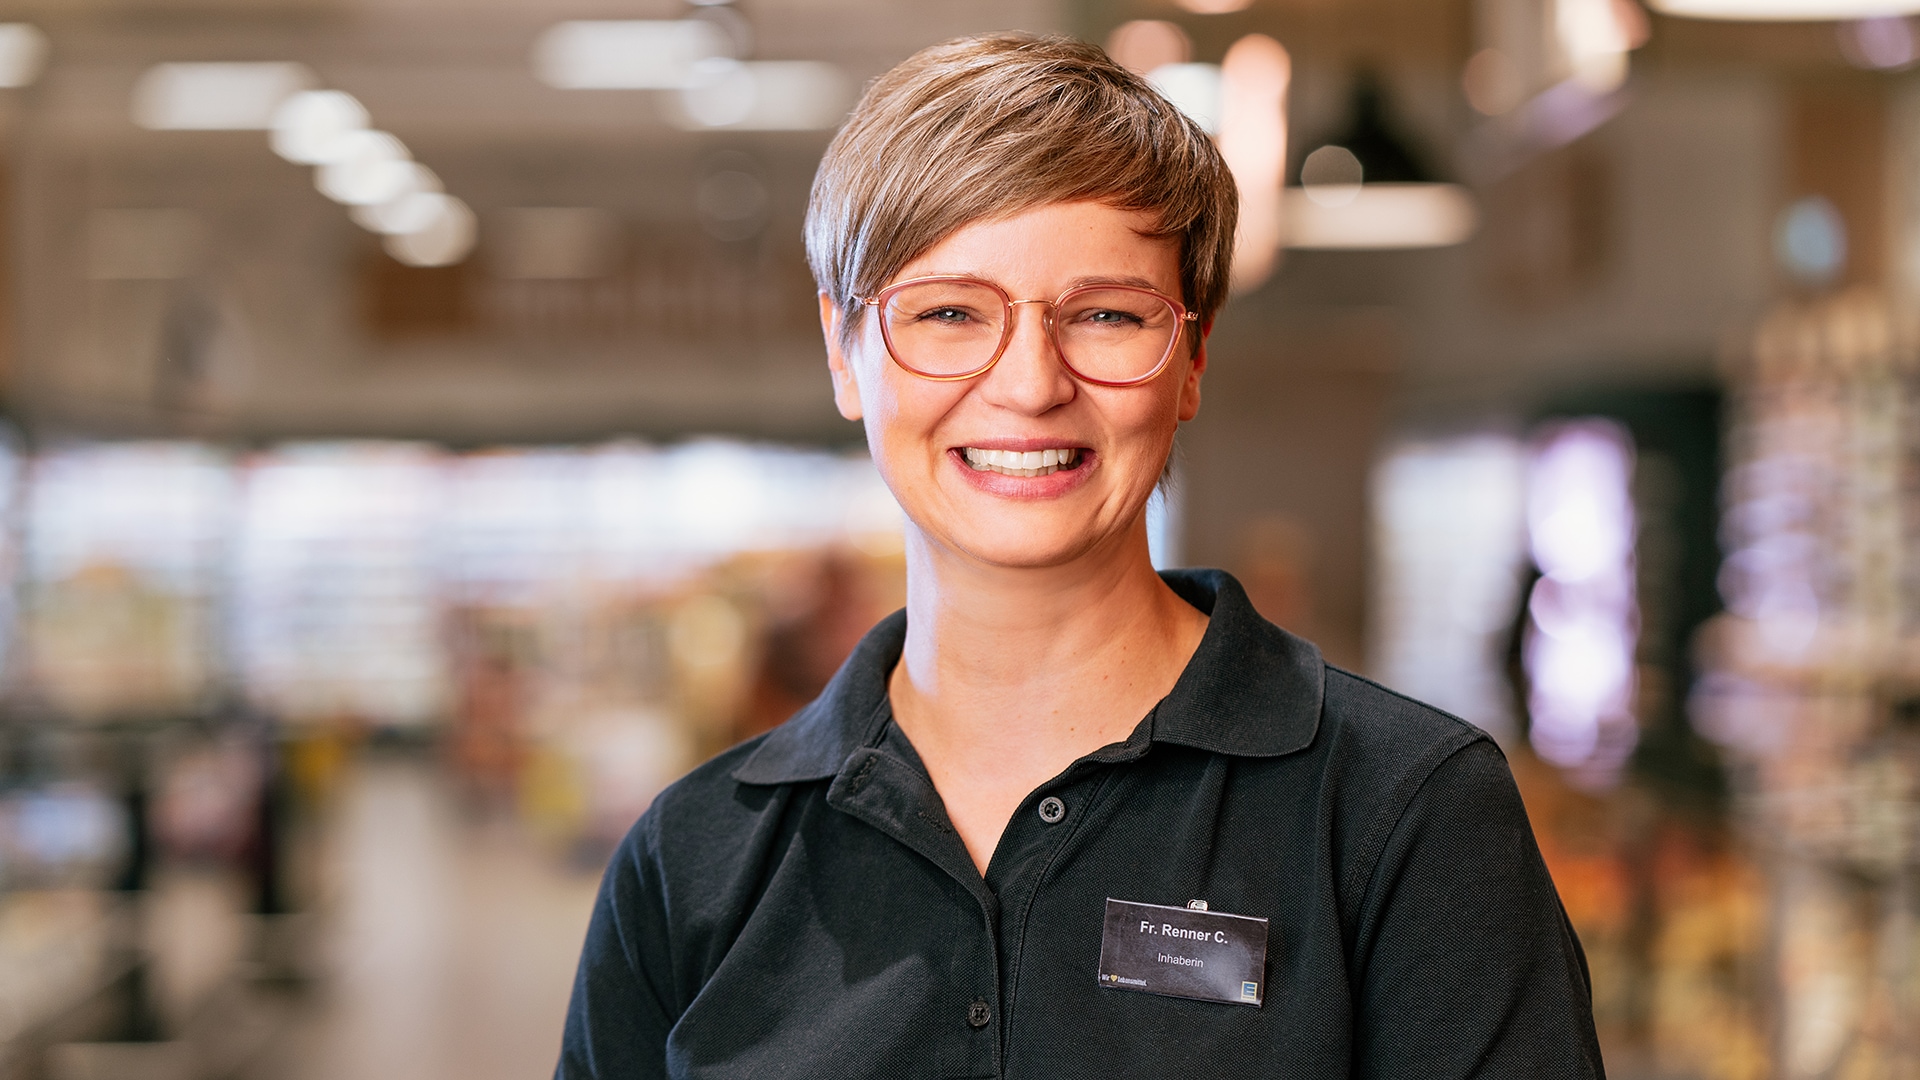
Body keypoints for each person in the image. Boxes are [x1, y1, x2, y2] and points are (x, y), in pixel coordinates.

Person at [557, 32, 1604, 1079]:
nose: (1028, 384)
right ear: (844, 351)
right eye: (950, 313)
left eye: (1104, 314)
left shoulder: (1403, 814)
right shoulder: (690, 862)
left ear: (1192, 358)